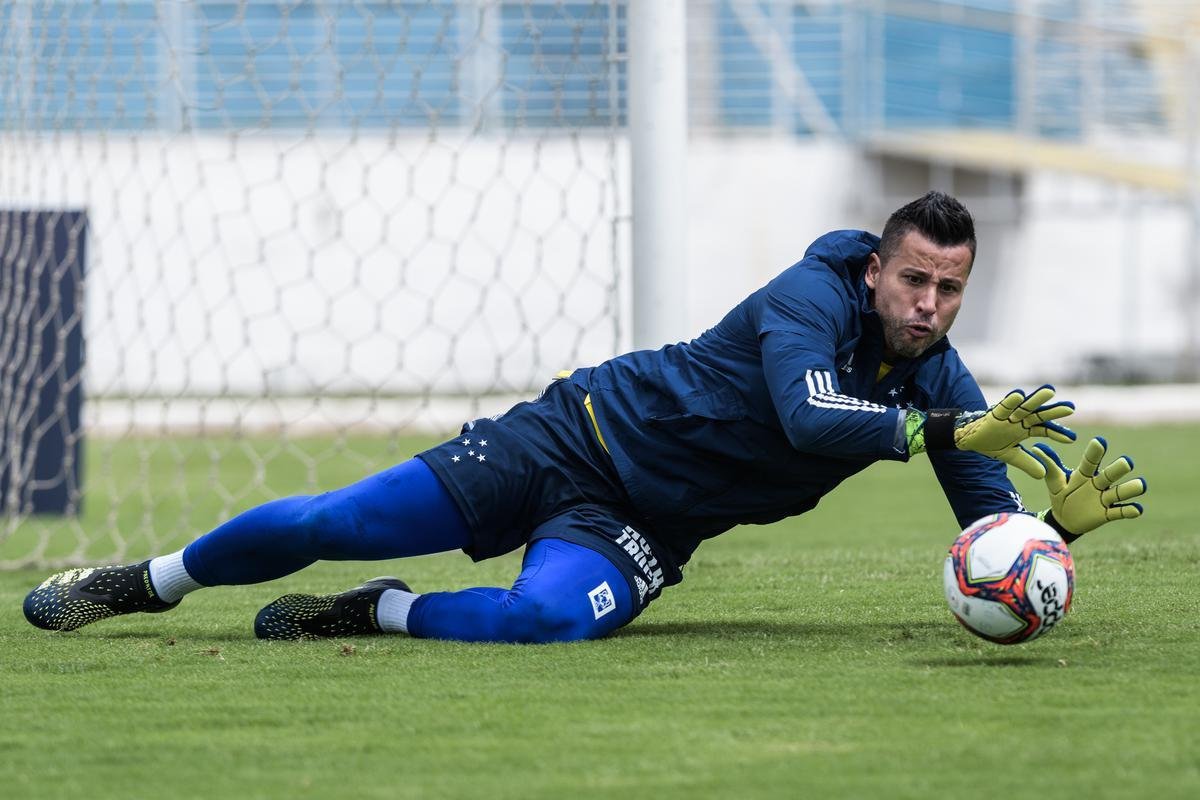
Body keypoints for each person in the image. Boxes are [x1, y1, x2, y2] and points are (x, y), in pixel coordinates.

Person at [23, 191, 1148, 643]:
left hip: (645, 525)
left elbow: (985, 528)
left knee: (542, 624)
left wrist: (1051, 536)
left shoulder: (947, 387)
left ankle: (376, 615)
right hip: (575, 434)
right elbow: (811, 422)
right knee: (338, 511)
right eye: (913, 279)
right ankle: (146, 580)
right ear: (877, 272)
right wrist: (945, 432)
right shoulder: (805, 298)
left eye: (949, 288)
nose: (928, 304)